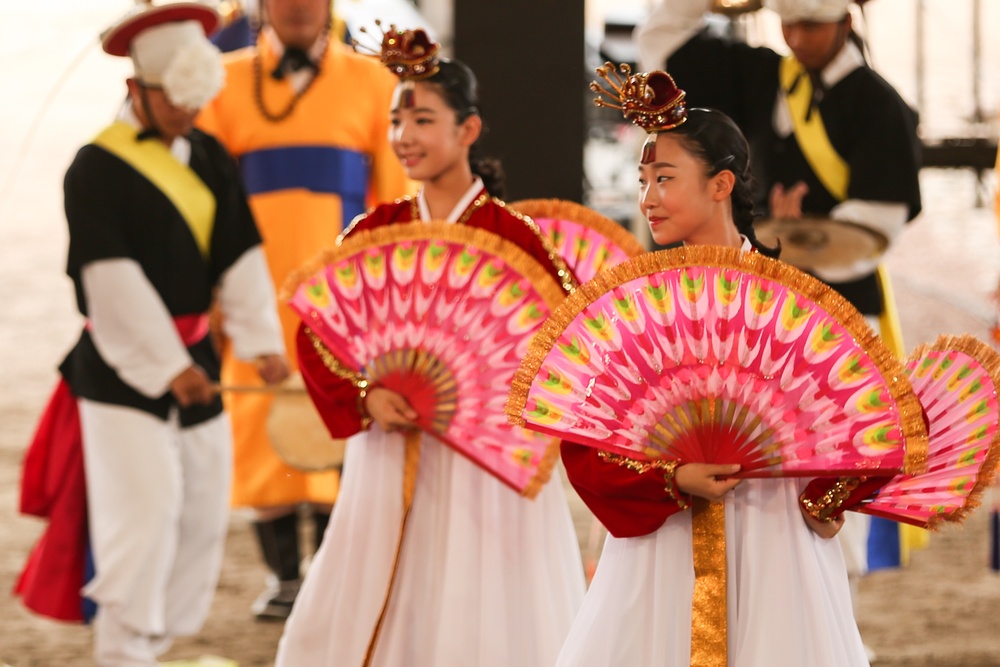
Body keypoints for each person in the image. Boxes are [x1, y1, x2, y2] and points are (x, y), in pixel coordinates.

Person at [273, 27, 584, 667]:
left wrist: (494, 412)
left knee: (484, 608)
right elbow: (319, 332)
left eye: (422, 118)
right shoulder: (378, 230)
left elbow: (565, 350)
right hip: (388, 448)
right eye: (395, 119)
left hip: (486, 466)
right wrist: (367, 395)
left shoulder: (515, 239)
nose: (404, 135)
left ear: (469, 130)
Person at [555, 65, 868, 667]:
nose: (647, 198)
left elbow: (853, 416)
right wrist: (671, 478)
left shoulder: (789, 300)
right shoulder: (640, 305)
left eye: (665, 178)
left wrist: (828, 499)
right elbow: (587, 442)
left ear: (721, 184)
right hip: (662, 540)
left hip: (776, 538)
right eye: (643, 179)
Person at [635, 0, 923, 645]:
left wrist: (807, 230)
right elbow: (660, 45)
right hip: (747, 294)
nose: (797, 36)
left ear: (846, 21)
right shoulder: (763, 75)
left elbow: (883, 216)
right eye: (788, 21)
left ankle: (825, 613)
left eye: (811, 22)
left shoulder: (878, 101)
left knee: (824, 470)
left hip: (833, 308)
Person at [15, 3, 289, 665]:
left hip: (198, 354)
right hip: (122, 370)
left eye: (197, 100)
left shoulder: (210, 155)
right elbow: (111, 282)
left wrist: (262, 342)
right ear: (136, 87)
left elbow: (240, 254)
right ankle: (123, 652)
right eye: (173, 99)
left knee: (199, 512)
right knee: (140, 523)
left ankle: (156, 645)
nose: (187, 113)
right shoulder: (94, 168)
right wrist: (170, 368)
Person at [196, 0, 411, 620]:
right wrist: (210, 295)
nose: (296, 6)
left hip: (344, 299)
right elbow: (207, 197)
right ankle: (283, 576)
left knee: (341, 422)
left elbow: (393, 200)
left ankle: (329, 573)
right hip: (251, 293)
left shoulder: (374, 81)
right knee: (259, 428)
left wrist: (389, 297)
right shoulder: (225, 81)